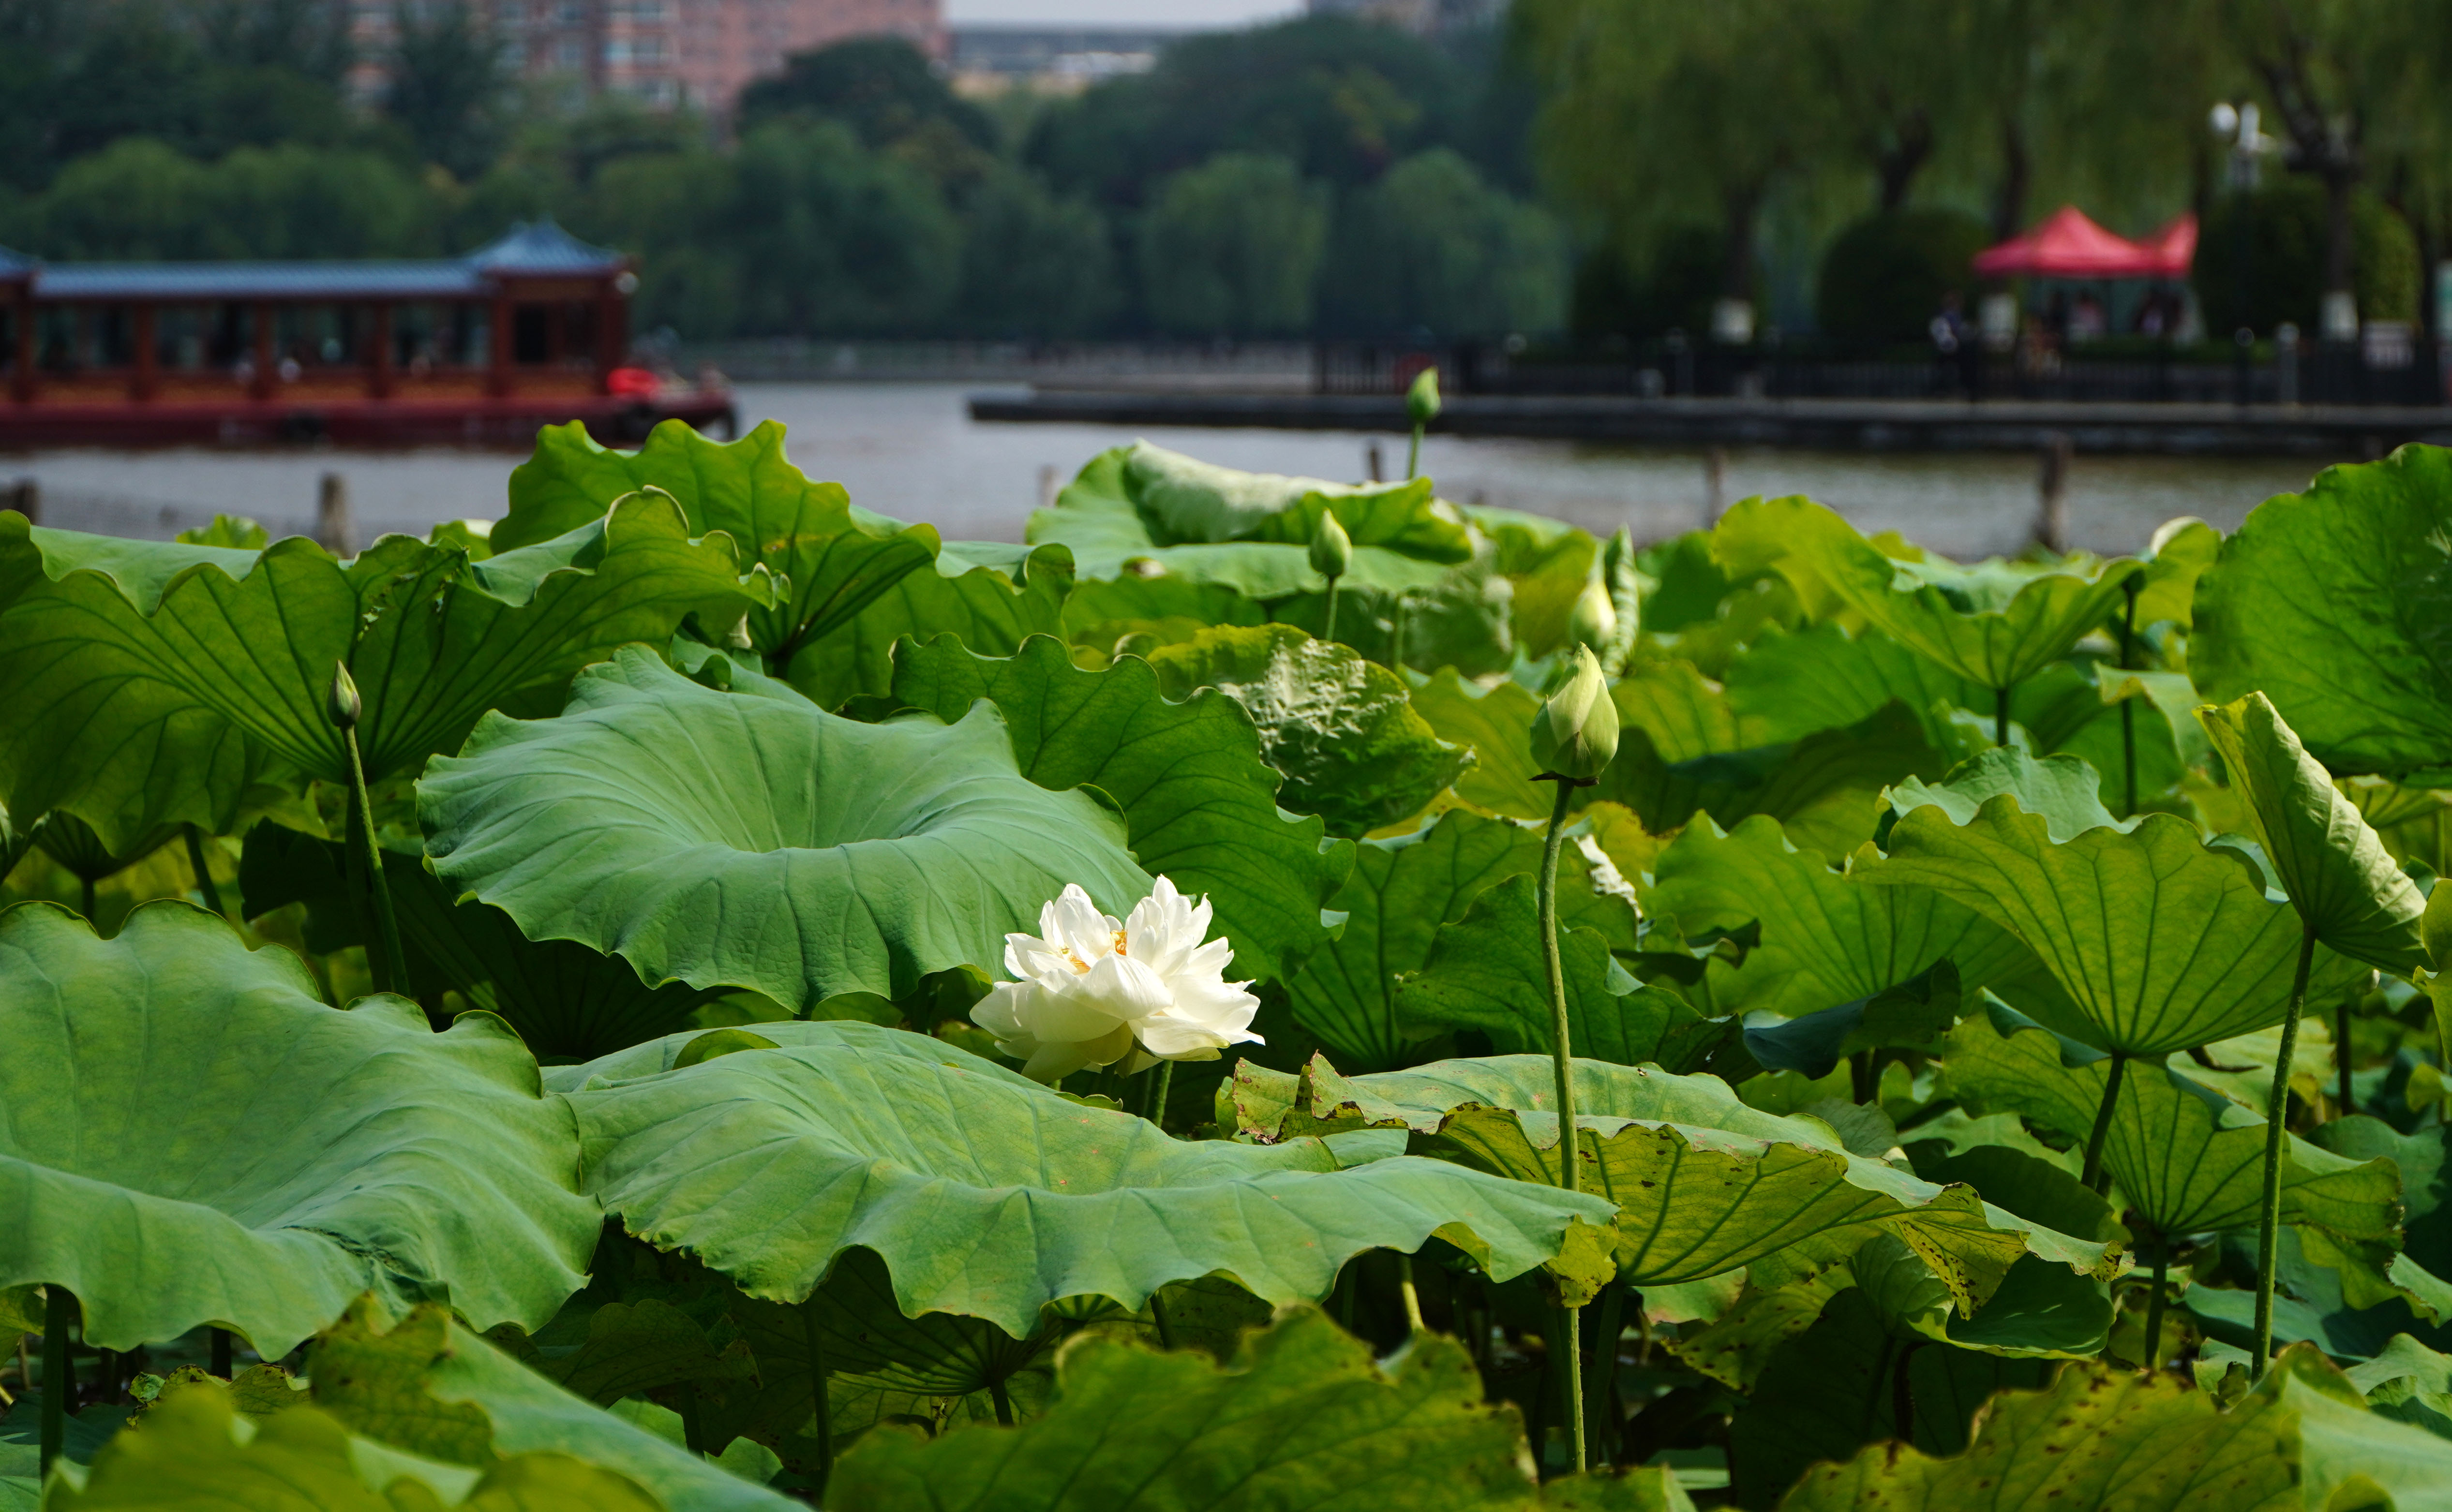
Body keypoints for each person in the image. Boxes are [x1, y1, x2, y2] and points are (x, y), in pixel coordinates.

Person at [1929, 290, 1979, 398]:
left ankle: (1969, 387)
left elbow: (1965, 332)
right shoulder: (1941, 319)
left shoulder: (1959, 317)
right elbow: (1944, 339)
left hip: (1957, 350)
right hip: (1946, 352)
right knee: (1967, 356)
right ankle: (1966, 387)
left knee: (1971, 354)